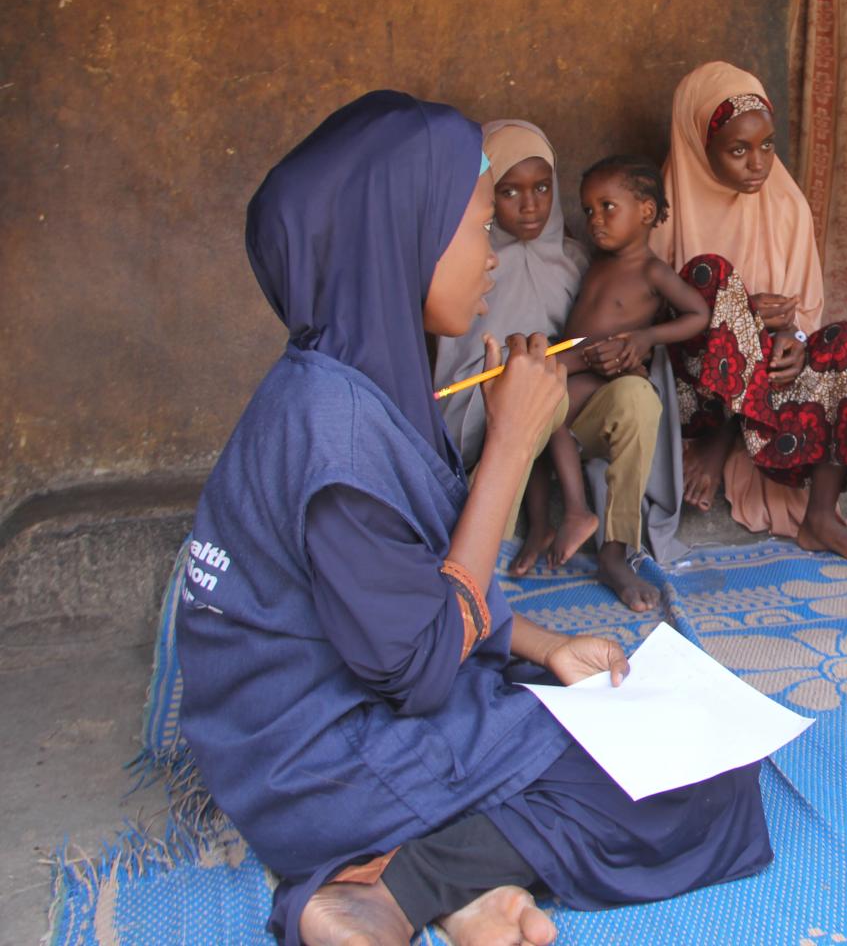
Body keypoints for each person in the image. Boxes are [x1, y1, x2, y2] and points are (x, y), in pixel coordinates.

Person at [176, 92, 771, 946]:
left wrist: (543, 647)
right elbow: (414, 669)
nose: (491, 255)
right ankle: (387, 892)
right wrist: (511, 448)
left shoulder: (341, 382)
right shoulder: (335, 434)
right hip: (321, 759)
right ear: (401, 243)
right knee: (706, 787)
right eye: (474, 229)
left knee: (599, 720)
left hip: (292, 723)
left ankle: (457, 884)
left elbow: (399, 590)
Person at [433, 120, 678, 611]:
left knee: (635, 400)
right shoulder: (463, 260)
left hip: (563, 404)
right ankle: (481, 566)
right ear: (483, 192)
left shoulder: (577, 260)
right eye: (508, 192)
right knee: (529, 399)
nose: (530, 206)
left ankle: (616, 548)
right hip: (483, 414)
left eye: (542, 188)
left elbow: (601, 339)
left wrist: (623, 353)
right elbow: (453, 362)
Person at [654, 61, 847, 571]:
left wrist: (792, 334)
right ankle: (716, 446)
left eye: (766, 146)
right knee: (712, 277)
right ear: (699, 145)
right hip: (698, 395)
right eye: (738, 150)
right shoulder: (665, 206)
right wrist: (736, 309)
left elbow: (805, 308)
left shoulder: (786, 205)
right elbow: (653, 313)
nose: (757, 164)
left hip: (772, 380)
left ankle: (820, 516)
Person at [530, 156, 709, 597]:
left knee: (552, 405)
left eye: (608, 207)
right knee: (539, 409)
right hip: (571, 370)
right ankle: (547, 523)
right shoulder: (595, 261)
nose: (595, 220)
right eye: (589, 210)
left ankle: (602, 539)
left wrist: (647, 338)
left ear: (646, 212)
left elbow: (698, 313)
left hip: (603, 383)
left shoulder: (650, 271)